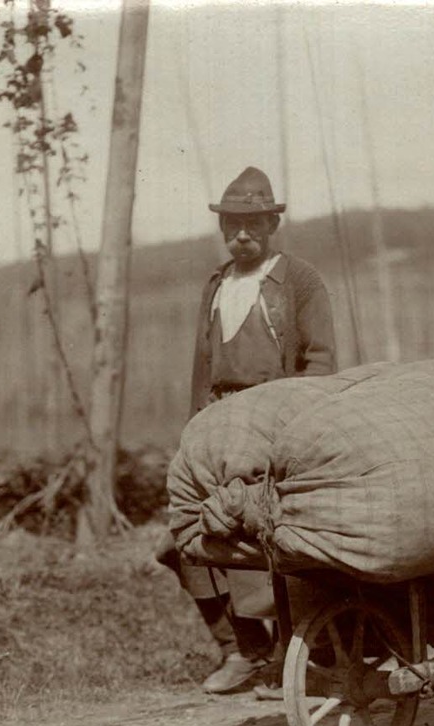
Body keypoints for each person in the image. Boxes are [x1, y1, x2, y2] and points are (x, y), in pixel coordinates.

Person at [163, 165, 338, 697]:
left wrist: (292, 429)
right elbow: (202, 367)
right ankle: (241, 649)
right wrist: (194, 438)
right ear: (221, 228)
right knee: (182, 542)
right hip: (219, 427)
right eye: (233, 224)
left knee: (275, 543)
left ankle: (298, 656)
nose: (242, 234)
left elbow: (322, 363)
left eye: (253, 224)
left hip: (276, 425)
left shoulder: (298, 281)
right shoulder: (216, 285)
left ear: (271, 225)